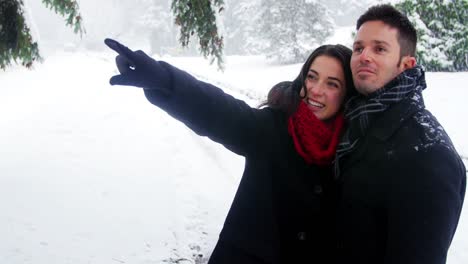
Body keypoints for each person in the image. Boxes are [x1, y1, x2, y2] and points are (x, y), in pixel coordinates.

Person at [104, 38, 355, 264]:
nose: (316, 90)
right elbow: (220, 112)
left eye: (332, 84)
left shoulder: (355, 148)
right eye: (312, 77)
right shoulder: (272, 128)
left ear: (347, 95)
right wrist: (166, 81)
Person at [334, 4, 466, 264]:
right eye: (358, 48)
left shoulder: (428, 155)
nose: (364, 56)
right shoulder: (356, 119)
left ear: (406, 64)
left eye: (379, 49)